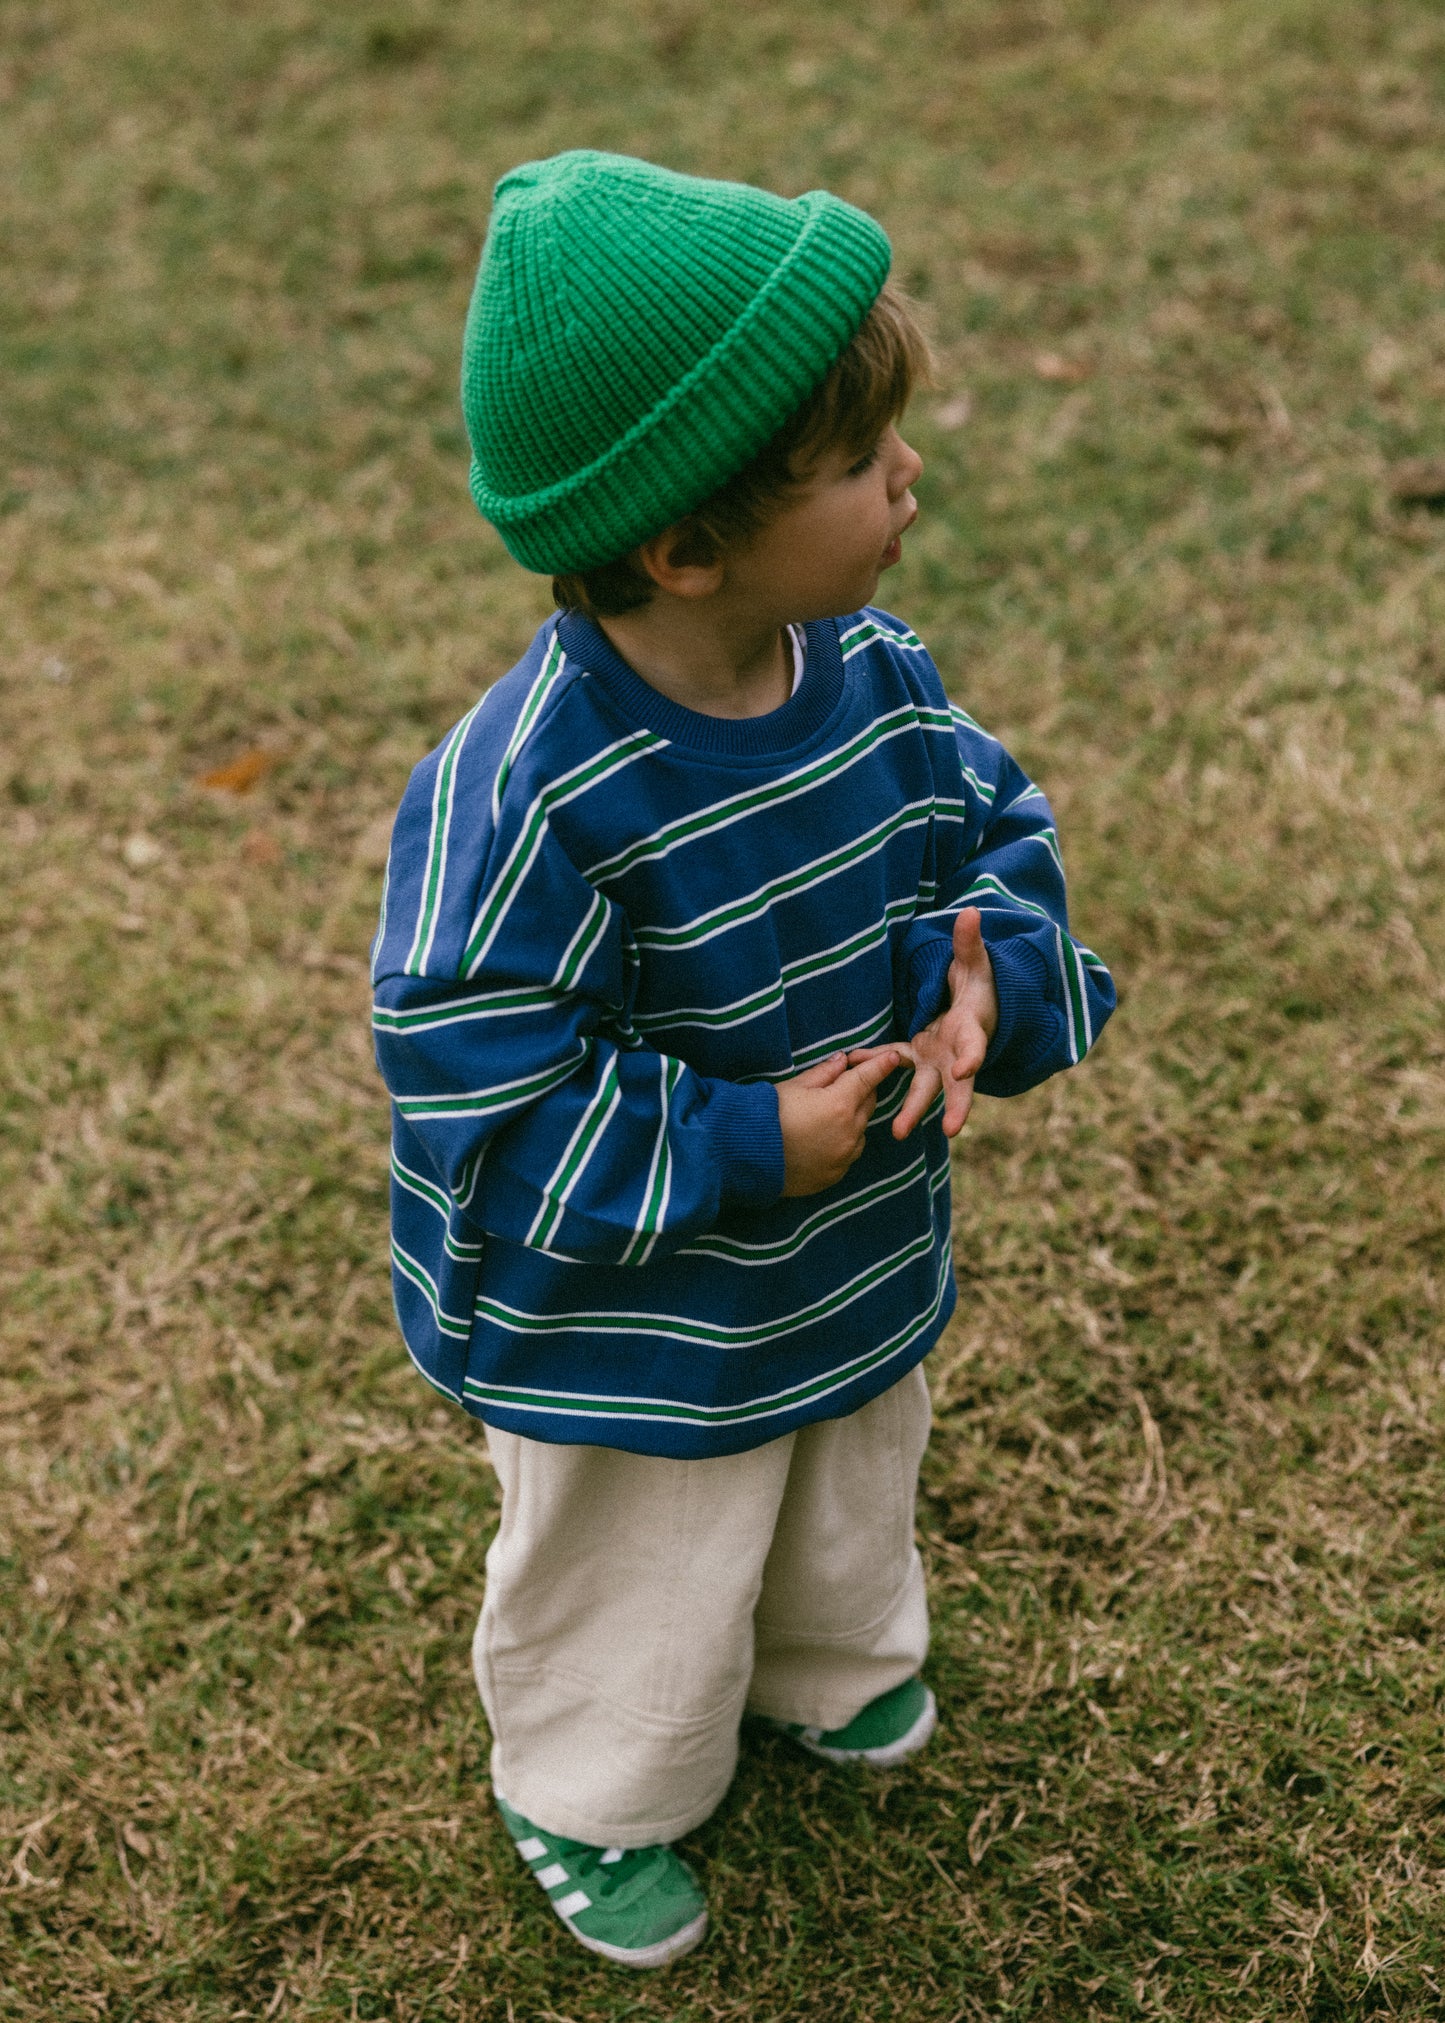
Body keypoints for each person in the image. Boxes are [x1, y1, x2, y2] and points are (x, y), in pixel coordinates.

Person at [371, 150, 1115, 1969]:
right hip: (628, 1308)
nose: (908, 477)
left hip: (840, 1248)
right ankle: (591, 1783)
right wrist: (723, 1145)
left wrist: (990, 982)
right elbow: (479, 1079)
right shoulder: (526, 790)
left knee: (850, 1450)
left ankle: (823, 1659)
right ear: (684, 543)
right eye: (863, 463)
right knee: (653, 1542)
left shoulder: (869, 669)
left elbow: (987, 832)